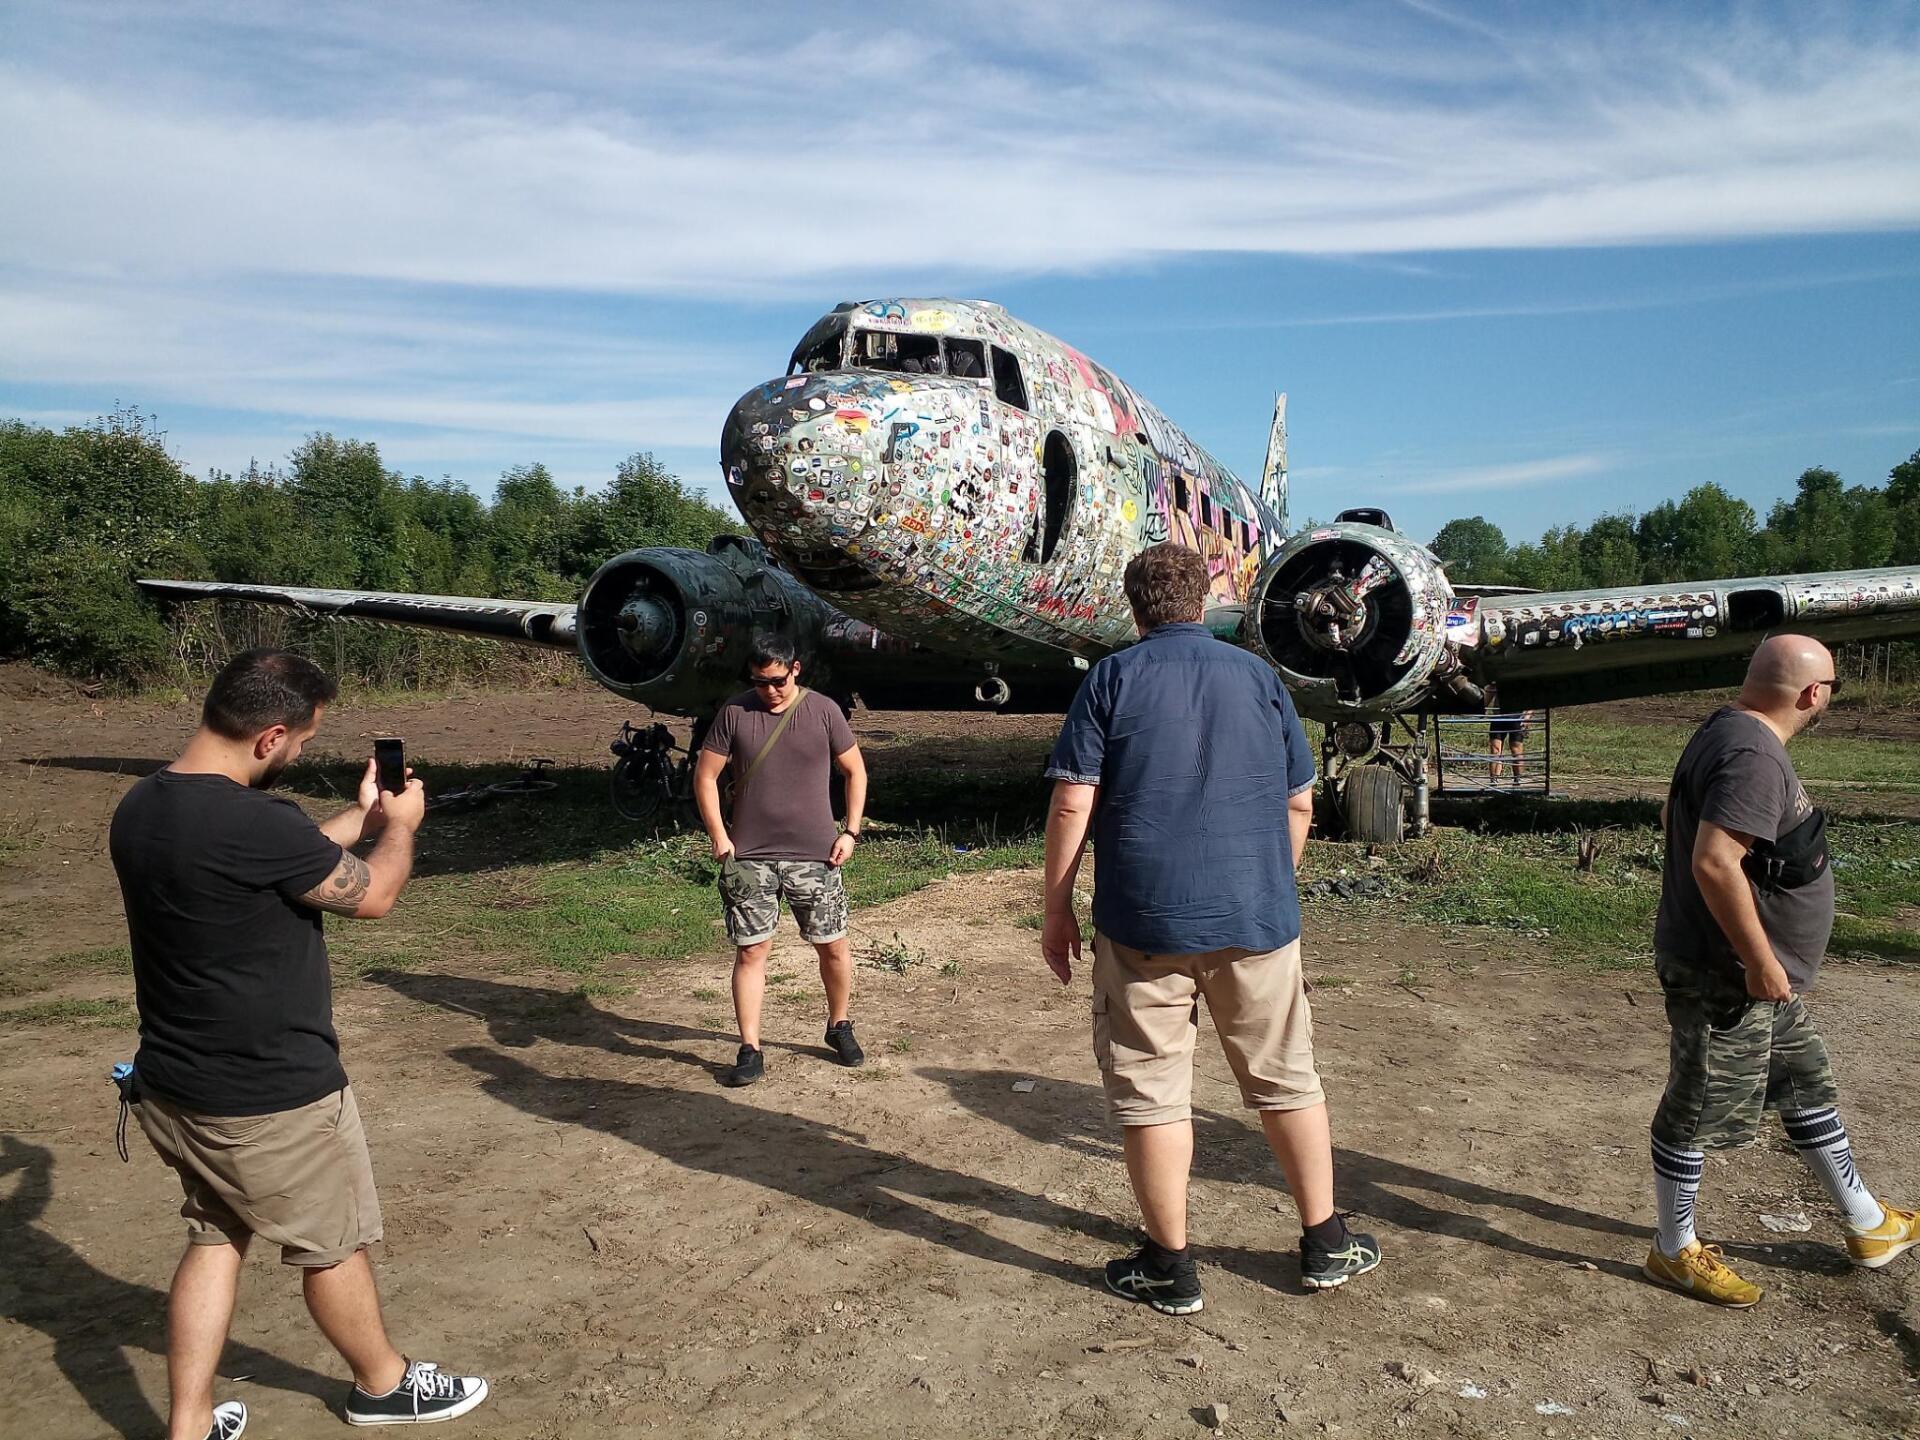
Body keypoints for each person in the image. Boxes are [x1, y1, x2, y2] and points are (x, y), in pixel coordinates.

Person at [109, 649, 489, 1440]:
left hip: (174, 1086)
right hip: (270, 1097)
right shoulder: (255, 822)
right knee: (332, 1246)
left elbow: (276, 858)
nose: (301, 754)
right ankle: (382, 1387)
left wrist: (368, 817)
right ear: (268, 736)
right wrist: (403, 832)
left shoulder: (144, 804)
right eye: (303, 743)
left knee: (215, 1236)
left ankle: (187, 1425)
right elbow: (374, 894)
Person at [1039, 542, 1381, 1314]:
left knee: (1153, 1094)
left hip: (1142, 925)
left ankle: (1169, 1263)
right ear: (1205, 601)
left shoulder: (1111, 679)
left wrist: (1058, 909)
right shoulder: (1261, 678)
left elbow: (1072, 803)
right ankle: (1325, 1243)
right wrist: (1265, 881)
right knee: (1286, 1079)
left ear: (1135, 606)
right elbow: (1300, 802)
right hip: (1256, 921)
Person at [1644, 634, 1916, 1306]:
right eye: (1833, 688)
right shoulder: (1753, 754)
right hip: (1729, 977)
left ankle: (1868, 1223)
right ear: (1812, 694)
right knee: (1695, 1105)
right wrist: (1760, 960)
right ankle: (1673, 1250)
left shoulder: (1726, 730)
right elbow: (1714, 860)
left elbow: (1676, 817)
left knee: (1804, 1081)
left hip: (1756, 977)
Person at [694, 634, 870, 1088]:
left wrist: (850, 831)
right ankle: (750, 1048)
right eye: (758, 682)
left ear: (795, 669)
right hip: (750, 856)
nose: (768, 690)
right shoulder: (734, 712)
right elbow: (706, 776)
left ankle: (839, 1025)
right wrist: (719, 835)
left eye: (775, 681)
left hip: (816, 855)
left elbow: (855, 770)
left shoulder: (824, 711)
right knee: (752, 950)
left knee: (832, 945)